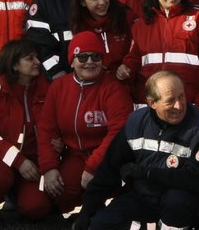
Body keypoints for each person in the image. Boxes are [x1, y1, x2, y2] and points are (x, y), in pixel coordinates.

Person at [72, 70, 199, 230]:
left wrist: (147, 173)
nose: (179, 106)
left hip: (186, 201)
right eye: (170, 101)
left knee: (177, 199)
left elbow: (197, 179)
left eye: (182, 97)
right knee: (102, 225)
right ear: (151, 102)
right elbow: (110, 167)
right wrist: (87, 209)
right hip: (146, 198)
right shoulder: (135, 123)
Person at [35, 31, 133, 218]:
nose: (89, 62)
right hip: (75, 155)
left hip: (108, 159)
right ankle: (88, 206)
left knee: (101, 189)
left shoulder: (113, 89)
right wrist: (49, 167)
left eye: (96, 56)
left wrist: (93, 167)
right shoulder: (58, 87)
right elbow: (46, 129)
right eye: (82, 57)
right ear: (71, 61)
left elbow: (118, 132)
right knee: (57, 194)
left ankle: (108, 207)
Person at [0, 39, 51, 222]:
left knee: (36, 208)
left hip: (34, 162)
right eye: (30, 58)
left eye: (37, 58)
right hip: (0, 161)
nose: (37, 62)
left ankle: (19, 197)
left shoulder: (47, 91)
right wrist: (18, 160)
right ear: (14, 65)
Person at [67, 0, 134, 82]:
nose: (102, 2)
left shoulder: (126, 16)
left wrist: (127, 65)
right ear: (82, 2)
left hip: (128, 82)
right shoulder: (78, 26)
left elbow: (137, 47)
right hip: (96, 84)